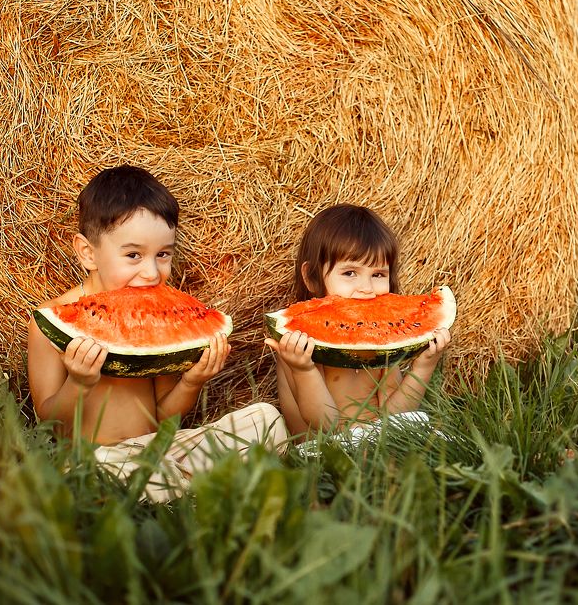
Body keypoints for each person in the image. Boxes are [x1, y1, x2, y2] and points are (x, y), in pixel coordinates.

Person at [27, 165, 286, 502]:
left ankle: (171, 482)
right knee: (114, 470)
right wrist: (77, 383)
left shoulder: (162, 320)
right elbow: (49, 421)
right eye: (133, 255)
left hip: (160, 449)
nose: (151, 272)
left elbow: (164, 417)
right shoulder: (48, 323)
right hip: (96, 458)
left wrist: (192, 381)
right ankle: (190, 482)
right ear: (88, 252)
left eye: (163, 254)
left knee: (267, 421)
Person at [265, 204, 451, 443]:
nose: (366, 288)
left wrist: (423, 368)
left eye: (378, 275)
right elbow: (325, 425)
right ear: (312, 277)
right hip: (324, 451)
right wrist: (304, 370)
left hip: (378, 442)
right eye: (350, 273)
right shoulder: (297, 344)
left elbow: (396, 416)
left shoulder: (380, 340)